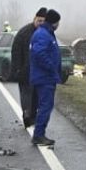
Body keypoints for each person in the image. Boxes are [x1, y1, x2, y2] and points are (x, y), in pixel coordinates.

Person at [29, 9, 62, 147]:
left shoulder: (47, 33)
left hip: (46, 76)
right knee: (45, 106)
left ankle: (39, 134)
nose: (59, 24)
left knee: (45, 106)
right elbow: (39, 53)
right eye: (58, 22)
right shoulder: (43, 34)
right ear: (53, 22)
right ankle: (38, 135)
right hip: (44, 77)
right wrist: (51, 67)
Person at [11, 7, 47, 127]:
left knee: (36, 95)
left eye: (43, 21)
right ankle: (27, 114)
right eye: (39, 21)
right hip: (25, 70)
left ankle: (33, 116)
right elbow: (15, 51)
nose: (41, 23)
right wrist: (17, 68)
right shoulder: (24, 33)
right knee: (26, 94)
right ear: (34, 19)